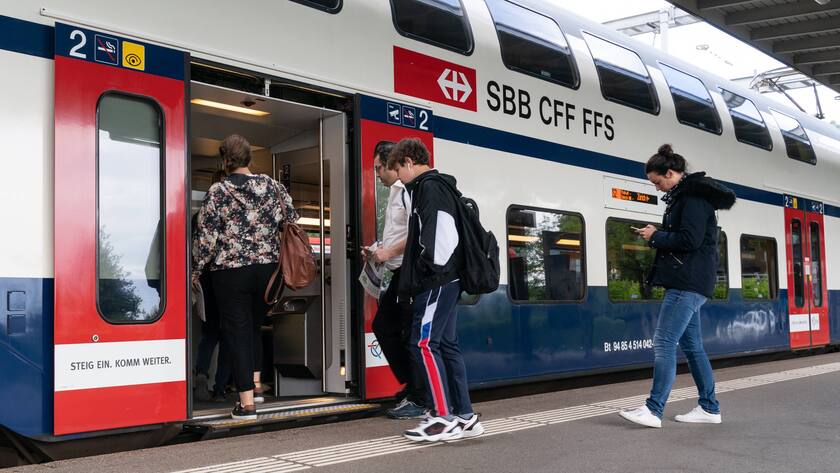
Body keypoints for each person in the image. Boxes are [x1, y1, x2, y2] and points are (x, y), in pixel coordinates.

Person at [619, 144, 735, 428]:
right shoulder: (685, 196)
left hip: (687, 281)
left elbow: (690, 240)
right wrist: (657, 234)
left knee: (663, 342)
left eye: (658, 182)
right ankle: (709, 408)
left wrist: (656, 236)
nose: (657, 188)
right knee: (692, 345)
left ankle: (653, 410)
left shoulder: (693, 198)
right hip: (690, 280)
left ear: (671, 173)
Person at [193, 134, 298, 420]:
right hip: (267, 271)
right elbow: (291, 216)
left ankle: (246, 403)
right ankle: (256, 385)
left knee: (237, 332)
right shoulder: (272, 186)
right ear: (249, 158)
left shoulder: (218, 191)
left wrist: (197, 268)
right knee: (253, 326)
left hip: (230, 272)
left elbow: (207, 237)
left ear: (225, 160)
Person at [386, 137, 484, 442]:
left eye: (398, 170)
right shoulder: (439, 186)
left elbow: (441, 235)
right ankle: (466, 417)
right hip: (447, 279)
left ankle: (442, 417)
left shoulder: (429, 187)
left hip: (437, 280)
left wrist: (427, 268)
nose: (399, 178)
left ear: (409, 162)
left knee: (423, 344)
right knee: (447, 345)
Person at [364, 141, 427, 420]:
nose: (377, 173)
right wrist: (379, 248)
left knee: (407, 333)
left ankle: (420, 396)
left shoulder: (406, 191)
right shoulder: (393, 194)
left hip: (410, 273)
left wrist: (388, 251)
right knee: (386, 326)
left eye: (379, 167)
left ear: (393, 164)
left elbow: (418, 229)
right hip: (399, 273)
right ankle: (413, 386)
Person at [191, 211, 232, 403]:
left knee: (209, 334)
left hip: (205, 278)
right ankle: (220, 389)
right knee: (228, 336)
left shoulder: (197, 217)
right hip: (227, 277)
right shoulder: (231, 215)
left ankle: (201, 373)